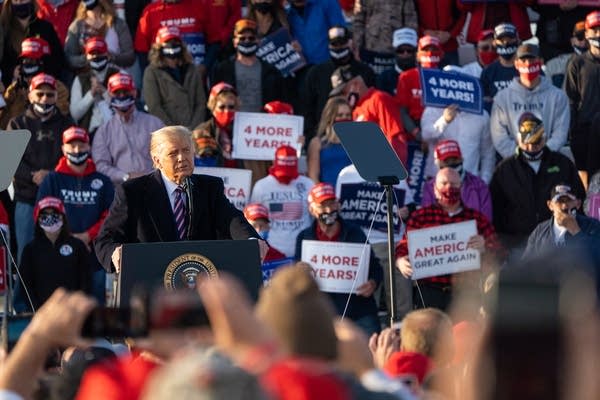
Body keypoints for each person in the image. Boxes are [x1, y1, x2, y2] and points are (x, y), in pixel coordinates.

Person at [94, 125, 265, 273]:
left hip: (200, 283)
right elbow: (105, 240)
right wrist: (115, 253)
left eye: (186, 150)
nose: (182, 158)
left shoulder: (210, 188)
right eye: (173, 153)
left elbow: (231, 219)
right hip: (152, 286)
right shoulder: (133, 192)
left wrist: (251, 242)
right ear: (157, 160)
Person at [396, 167, 503, 310]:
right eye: (444, 183)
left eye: (454, 184)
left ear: (461, 187)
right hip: (430, 291)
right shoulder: (420, 217)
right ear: (434, 188)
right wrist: (400, 261)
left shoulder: (476, 219)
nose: (449, 188)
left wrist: (485, 246)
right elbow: (403, 248)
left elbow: (499, 254)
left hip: (466, 294)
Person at [489, 113, 584, 256]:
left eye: (536, 142)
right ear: (518, 139)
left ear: (544, 138)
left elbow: (579, 199)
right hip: (517, 245)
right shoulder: (505, 169)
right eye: (527, 142)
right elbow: (495, 211)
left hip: (557, 242)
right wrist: (504, 243)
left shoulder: (563, 164)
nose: (531, 147)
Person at [37, 126, 114, 303]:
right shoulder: (52, 180)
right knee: (61, 309)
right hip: (60, 255)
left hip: (94, 257)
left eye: (81, 145)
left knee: (94, 310)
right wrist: (68, 238)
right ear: (63, 149)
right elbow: (42, 214)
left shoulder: (103, 181)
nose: (77, 150)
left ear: (89, 147)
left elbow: (110, 217)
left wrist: (87, 236)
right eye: (72, 146)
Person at [294, 183, 382, 335]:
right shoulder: (304, 238)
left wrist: (372, 283)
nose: (329, 210)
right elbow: (298, 276)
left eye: (332, 203)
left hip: (359, 309)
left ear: (338, 205)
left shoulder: (356, 233)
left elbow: (375, 267)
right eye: (323, 206)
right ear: (312, 209)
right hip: (322, 312)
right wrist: (299, 272)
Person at [6, 73, 74, 261]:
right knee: (26, 254)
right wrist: (32, 175)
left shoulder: (67, 123)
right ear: (30, 95)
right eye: (40, 93)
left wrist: (50, 175)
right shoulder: (16, 123)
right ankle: (24, 291)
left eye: (49, 94)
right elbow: (9, 162)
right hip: (26, 198)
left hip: (59, 199)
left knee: (62, 254)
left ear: (56, 96)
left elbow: (74, 156)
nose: (45, 99)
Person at [490, 43, 570, 159]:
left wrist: (541, 154)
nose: (528, 64)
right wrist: (520, 157)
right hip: (515, 163)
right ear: (516, 64)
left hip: (548, 161)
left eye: (532, 59)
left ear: (541, 62)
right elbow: (499, 137)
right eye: (523, 60)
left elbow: (560, 134)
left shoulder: (558, 96)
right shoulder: (502, 98)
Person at [15, 196, 91, 312]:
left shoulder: (77, 246)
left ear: (63, 217)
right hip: (40, 313)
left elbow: (85, 280)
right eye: (45, 214)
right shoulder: (30, 249)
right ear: (38, 218)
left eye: (54, 213)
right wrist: (35, 309)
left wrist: (77, 306)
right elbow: (26, 284)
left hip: (71, 312)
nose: (50, 218)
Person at [421, 69, 495, 183]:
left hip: (470, 183)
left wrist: (484, 181)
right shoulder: (432, 109)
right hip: (437, 182)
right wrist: (444, 121)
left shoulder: (482, 115)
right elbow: (425, 135)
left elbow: (488, 153)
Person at [302, 25, 375, 141]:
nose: (339, 47)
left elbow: (373, 106)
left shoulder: (366, 72)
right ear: (328, 45)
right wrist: (313, 137)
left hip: (358, 137)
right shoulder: (315, 73)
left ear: (350, 43)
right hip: (323, 137)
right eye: (334, 44)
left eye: (342, 43)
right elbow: (307, 109)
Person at [92, 72, 164, 185]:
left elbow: (167, 155)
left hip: (155, 185)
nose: (121, 96)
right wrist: (126, 176)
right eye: (117, 92)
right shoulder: (103, 131)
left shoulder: (155, 124)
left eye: (125, 91)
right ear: (109, 95)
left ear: (134, 92)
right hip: (122, 189)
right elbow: (100, 166)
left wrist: (153, 176)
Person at [331, 65, 410, 165]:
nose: (343, 97)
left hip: (384, 170)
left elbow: (396, 138)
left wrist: (393, 171)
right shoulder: (355, 109)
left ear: (356, 84)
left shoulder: (379, 99)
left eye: (343, 92)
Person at [250, 145, 314, 257]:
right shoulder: (262, 186)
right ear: (274, 163)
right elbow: (253, 219)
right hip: (272, 251)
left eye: (289, 173)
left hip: (301, 249)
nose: (285, 178)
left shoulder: (308, 184)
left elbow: (314, 216)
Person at [212, 19, 287, 113]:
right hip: (233, 123)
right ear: (234, 42)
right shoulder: (222, 70)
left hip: (263, 123)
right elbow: (213, 102)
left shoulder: (271, 71)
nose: (247, 41)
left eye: (251, 38)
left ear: (258, 41)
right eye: (242, 38)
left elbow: (281, 101)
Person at [142, 26, 206, 129]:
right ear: (159, 47)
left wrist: (194, 127)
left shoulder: (192, 69)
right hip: (168, 132)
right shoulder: (151, 72)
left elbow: (200, 103)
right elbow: (154, 107)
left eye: (175, 41)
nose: (171, 46)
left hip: (193, 130)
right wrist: (174, 131)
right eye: (168, 42)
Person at [0, 37, 70, 129]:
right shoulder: (14, 88)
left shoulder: (57, 88)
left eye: (32, 60)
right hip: (14, 139)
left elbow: (58, 117)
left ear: (44, 62)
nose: (28, 64)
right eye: (25, 61)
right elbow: (2, 120)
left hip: (45, 138)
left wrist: (33, 96)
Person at [565, 10, 600, 189]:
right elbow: (570, 100)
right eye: (594, 30)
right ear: (586, 34)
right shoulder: (577, 63)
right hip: (584, 133)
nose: (599, 34)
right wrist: (572, 133)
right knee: (588, 186)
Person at [523, 184, 600, 260]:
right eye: (559, 201)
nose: (564, 206)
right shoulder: (540, 231)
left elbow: (596, 258)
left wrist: (576, 231)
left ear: (578, 203)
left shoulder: (593, 226)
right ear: (550, 205)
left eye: (569, 200)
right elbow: (526, 264)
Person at [421, 140, 492, 222]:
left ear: (461, 159)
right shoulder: (430, 188)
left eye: (455, 160)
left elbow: (486, 221)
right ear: (438, 164)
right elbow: (426, 220)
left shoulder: (479, 186)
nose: (451, 164)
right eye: (446, 161)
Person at [0, 0, 65, 87]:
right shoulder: (4, 31)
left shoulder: (45, 28)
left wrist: (42, 72)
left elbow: (58, 59)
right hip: (12, 89)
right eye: (16, 1)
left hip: (43, 87)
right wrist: (11, 71)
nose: (20, 3)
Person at [69, 36, 120, 135]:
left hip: (116, 131)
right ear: (86, 56)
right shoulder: (79, 79)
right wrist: (91, 94)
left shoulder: (119, 75)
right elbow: (75, 114)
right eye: (92, 54)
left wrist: (104, 92)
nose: (96, 57)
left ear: (107, 55)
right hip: (89, 133)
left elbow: (127, 107)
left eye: (100, 53)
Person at [134, 0, 206, 69]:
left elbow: (214, 41)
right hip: (161, 76)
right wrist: (149, 76)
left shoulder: (201, 6)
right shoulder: (150, 12)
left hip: (195, 73)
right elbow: (142, 50)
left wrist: (204, 66)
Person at [64, 0, 134, 70]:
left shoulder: (117, 23)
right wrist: (86, 58)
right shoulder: (76, 26)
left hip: (114, 76)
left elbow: (130, 57)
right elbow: (69, 58)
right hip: (86, 77)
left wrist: (110, 56)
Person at [352, 0, 418, 63]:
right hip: (371, 45)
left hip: (397, 47)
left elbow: (410, 19)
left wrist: (409, 46)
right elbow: (359, 20)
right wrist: (357, 46)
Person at [285, 0, 346, 65]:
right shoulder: (286, 16)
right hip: (304, 71)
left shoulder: (327, 2)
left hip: (333, 66)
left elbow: (341, 35)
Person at [307, 96, 352, 186]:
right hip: (328, 195)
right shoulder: (317, 143)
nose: (345, 118)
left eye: (348, 115)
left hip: (352, 195)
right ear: (330, 117)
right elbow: (313, 176)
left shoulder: (357, 142)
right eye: (340, 115)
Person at [192, 82, 238, 168]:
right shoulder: (203, 131)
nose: (227, 111)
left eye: (231, 107)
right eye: (222, 107)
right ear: (213, 107)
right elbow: (205, 163)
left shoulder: (243, 130)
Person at [480, 23, 520, 113]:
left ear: (518, 40)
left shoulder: (526, 68)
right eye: (501, 40)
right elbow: (484, 100)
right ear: (494, 43)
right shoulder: (488, 71)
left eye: (510, 39)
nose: (506, 43)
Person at [456, 0, 533, 45]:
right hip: (482, 34)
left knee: (514, 67)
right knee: (483, 69)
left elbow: (530, 2)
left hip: (513, 32)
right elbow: (462, 5)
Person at [414, 0, 465, 66]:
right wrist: (423, 32)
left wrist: (450, 34)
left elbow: (462, 13)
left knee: (452, 75)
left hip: (448, 45)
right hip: (425, 47)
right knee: (425, 75)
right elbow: (411, 15)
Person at [545, 21, 588, 90]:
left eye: (588, 37)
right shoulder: (553, 65)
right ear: (572, 41)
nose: (584, 41)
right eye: (580, 37)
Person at [376, 28, 418, 96]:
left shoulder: (424, 78)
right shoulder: (384, 78)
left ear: (416, 51)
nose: (405, 54)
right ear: (394, 51)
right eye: (400, 51)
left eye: (409, 50)